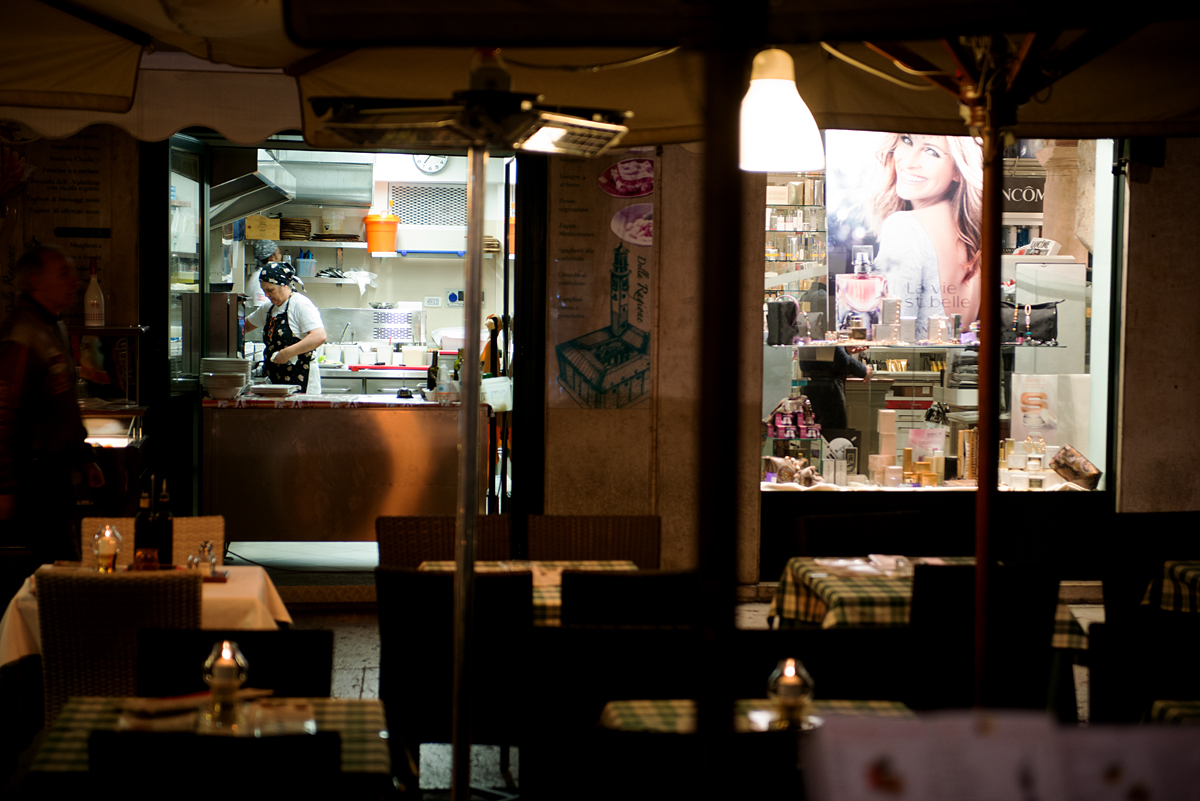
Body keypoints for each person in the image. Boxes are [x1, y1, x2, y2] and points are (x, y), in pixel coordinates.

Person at [0, 245, 105, 561]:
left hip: (55, 475)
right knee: (46, 567)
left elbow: (63, 404)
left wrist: (84, 457)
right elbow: (5, 414)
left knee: (64, 560)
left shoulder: (53, 325)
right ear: (36, 281)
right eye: (63, 274)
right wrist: (5, 486)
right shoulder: (22, 334)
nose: (74, 282)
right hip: (31, 479)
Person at [870, 133, 983, 340]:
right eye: (907, 141)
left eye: (932, 152)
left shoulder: (904, 226)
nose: (909, 162)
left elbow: (894, 336)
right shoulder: (970, 235)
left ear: (958, 170)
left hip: (916, 360)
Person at [245, 261, 326, 394]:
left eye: (270, 290)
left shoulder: (300, 304)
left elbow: (319, 336)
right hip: (277, 379)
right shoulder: (268, 308)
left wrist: (286, 353)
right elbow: (244, 326)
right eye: (264, 290)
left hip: (301, 378)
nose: (266, 295)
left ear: (283, 286)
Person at [798, 345, 872, 430]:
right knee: (833, 433)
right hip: (827, 388)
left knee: (812, 431)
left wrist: (844, 349)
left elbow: (828, 354)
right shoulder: (827, 336)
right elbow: (841, 360)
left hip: (811, 383)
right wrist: (863, 370)